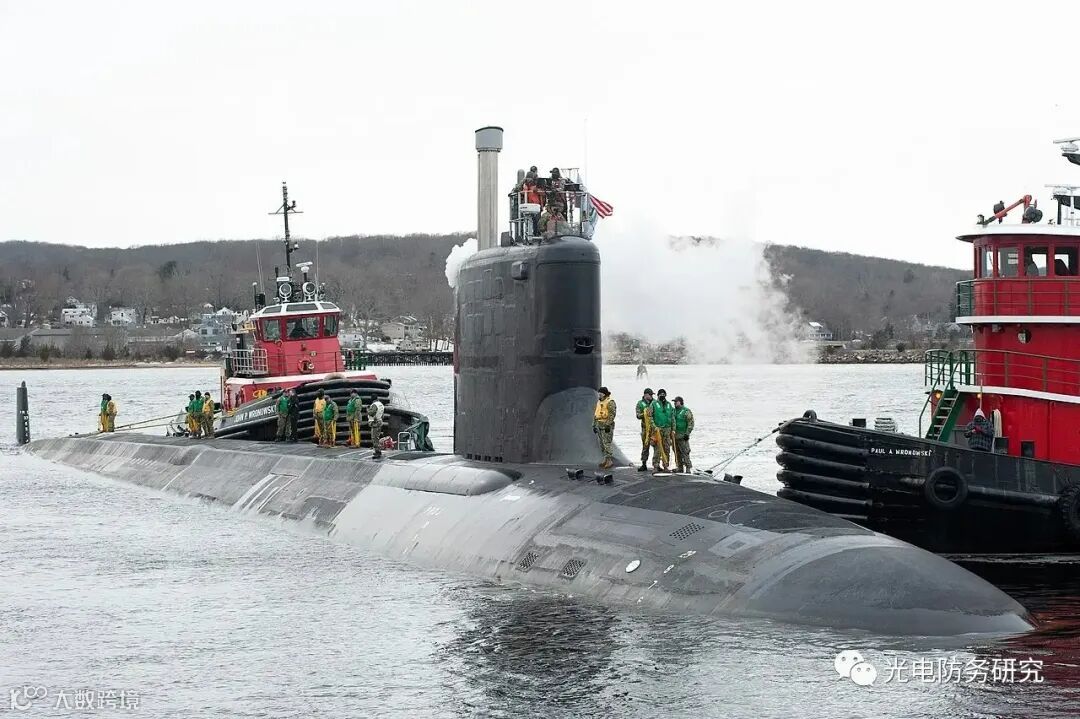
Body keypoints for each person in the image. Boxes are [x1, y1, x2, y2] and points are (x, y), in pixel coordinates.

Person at [647, 389, 675, 473]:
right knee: (657, 449)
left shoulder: (669, 405)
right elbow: (649, 417)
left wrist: (673, 429)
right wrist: (654, 426)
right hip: (657, 430)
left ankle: (666, 466)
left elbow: (672, 417)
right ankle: (656, 466)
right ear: (658, 395)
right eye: (661, 394)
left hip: (667, 429)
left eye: (664, 394)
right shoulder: (653, 404)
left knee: (667, 448)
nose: (662, 395)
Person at [593, 386, 616, 469]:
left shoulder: (610, 402)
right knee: (602, 444)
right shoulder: (599, 402)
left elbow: (612, 415)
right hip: (599, 425)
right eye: (599, 393)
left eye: (601, 393)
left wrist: (607, 424)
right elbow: (596, 414)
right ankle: (605, 459)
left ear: (604, 394)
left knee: (607, 443)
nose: (599, 394)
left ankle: (609, 460)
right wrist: (594, 425)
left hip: (606, 426)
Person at [672, 396, 695, 473]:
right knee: (676, 452)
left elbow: (691, 423)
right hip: (675, 436)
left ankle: (688, 468)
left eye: (676, 401)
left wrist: (687, 433)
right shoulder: (673, 411)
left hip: (683, 436)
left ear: (680, 402)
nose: (675, 403)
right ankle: (680, 467)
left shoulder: (686, 411)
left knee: (685, 452)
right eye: (674, 402)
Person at [634, 388, 655, 472]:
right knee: (645, 446)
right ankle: (644, 463)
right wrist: (645, 413)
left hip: (654, 428)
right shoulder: (640, 403)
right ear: (646, 395)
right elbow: (638, 415)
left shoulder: (655, 403)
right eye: (650, 395)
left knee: (657, 447)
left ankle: (656, 464)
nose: (652, 396)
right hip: (645, 429)